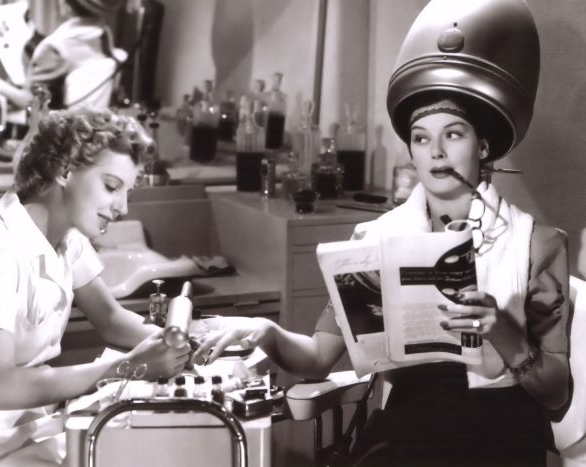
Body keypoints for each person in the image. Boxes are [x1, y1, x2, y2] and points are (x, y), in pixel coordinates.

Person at [193, 1, 570, 465]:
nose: (435, 152)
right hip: (408, 428)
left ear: (483, 145)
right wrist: (265, 331)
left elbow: (557, 395)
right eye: (421, 137)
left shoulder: (536, 244)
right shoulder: (375, 241)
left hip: (500, 432)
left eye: (453, 134)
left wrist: (505, 333)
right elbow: (318, 357)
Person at [0, 107, 191, 466]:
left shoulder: (66, 236)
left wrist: (184, 343)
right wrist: (128, 366)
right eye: (111, 186)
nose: (122, 207)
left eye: (128, 192)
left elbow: (110, 319)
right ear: (64, 170)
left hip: (22, 417)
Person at [0, 0, 126, 111]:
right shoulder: (103, 33)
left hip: (57, 131)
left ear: (66, 5)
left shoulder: (55, 46)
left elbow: (30, 102)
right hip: (91, 123)